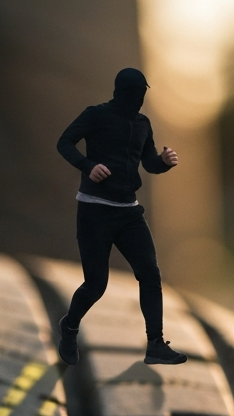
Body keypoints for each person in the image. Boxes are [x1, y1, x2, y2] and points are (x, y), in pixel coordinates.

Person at [56, 67, 187, 366]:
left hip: (129, 212)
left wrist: (164, 162)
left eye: (142, 93)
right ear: (121, 92)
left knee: (150, 274)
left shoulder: (142, 124)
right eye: (134, 93)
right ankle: (70, 327)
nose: (138, 99)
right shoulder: (96, 115)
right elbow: (64, 142)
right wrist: (88, 166)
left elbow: (149, 163)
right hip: (95, 210)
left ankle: (155, 343)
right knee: (96, 284)